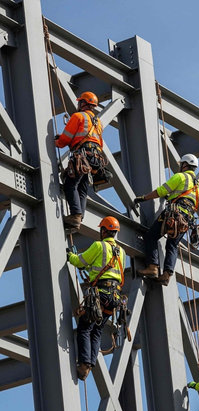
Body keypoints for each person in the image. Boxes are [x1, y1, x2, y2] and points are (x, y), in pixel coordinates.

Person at [67, 216, 126, 380]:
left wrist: (71, 255)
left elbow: (80, 262)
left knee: (85, 327)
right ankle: (89, 365)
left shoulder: (99, 246)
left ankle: (85, 364)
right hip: (114, 296)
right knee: (97, 330)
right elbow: (119, 276)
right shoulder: (121, 252)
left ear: (104, 231)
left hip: (100, 294)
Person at [134, 154, 199, 286]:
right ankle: (166, 275)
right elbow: (190, 199)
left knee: (151, 236)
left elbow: (161, 191)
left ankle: (152, 267)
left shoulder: (180, 176)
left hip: (174, 214)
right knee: (172, 245)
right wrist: (172, 196)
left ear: (185, 165)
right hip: (186, 219)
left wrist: (144, 198)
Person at [55, 91, 106, 230]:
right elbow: (96, 141)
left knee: (70, 185)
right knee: (82, 188)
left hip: (83, 155)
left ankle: (76, 215)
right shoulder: (97, 121)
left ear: (83, 103)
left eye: (80, 102)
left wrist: (58, 142)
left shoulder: (78, 116)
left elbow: (66, 138)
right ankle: (79, 216)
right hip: (95, 158)